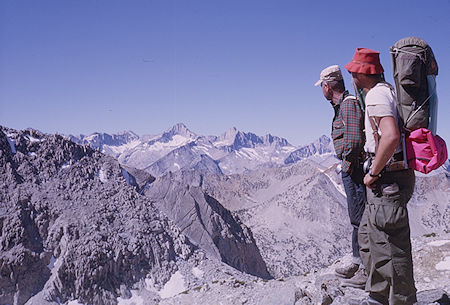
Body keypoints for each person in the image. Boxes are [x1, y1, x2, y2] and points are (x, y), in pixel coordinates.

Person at [345, 48, 416, 305]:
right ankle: (378, 295)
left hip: (386, 178)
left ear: (362, 73)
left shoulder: (376, 95)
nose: (351, 74)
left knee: (392, 245)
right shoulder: (388, 90)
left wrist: (373, 172)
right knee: (369, 236)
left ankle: (401, 300)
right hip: (391, 176)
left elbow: (390, 136)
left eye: (353, 70)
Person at [314, 65, 367, 284]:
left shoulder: (348, 105)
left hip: (353, 170)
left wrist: (345, 165)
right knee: (357, 217)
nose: (322, 91)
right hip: (352, 168)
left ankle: (364, 266)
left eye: (322, 87)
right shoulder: (344, 105)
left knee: (360, 217)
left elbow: (354, 140)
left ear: (327, 86)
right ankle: (358, 261)